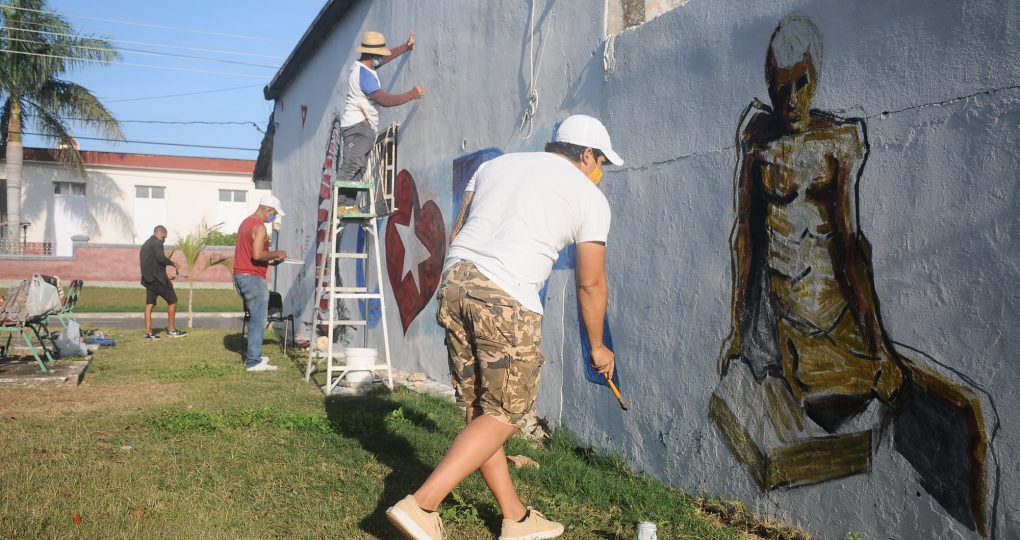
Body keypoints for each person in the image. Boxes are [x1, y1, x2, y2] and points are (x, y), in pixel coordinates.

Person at [386, 115, 624, 540]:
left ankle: (516, 518)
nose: (601, 172)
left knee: (480, 410)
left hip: (457, 280)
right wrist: (597, 347)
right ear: (587, 154)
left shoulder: (494, 167)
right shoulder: (590, 199)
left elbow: (459, 230)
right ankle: (423, 504)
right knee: (509, 412)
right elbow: (591, 283)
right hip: (506, 296)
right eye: (601, 161)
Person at [719, 14, 907, 417]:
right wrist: (738, 328)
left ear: (815, 78)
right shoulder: (757, 141)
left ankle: (869, 362)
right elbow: (745, 237)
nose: (792, 100)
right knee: (805, 377)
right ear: (769, 88)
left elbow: (849, 245)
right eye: (782, 88)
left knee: (892, 384)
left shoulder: (837, 143)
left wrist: (879, 344)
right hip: (786, 316)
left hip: (835, 311)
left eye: (801, 84)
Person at [336, 30, 424, 213]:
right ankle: (340, 205)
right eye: (378, 55)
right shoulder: (365, 76)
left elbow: (384, 59)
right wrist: (411, 95)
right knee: (352, 165)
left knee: (359, 168)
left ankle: (348, 205)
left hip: (363, 127)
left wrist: (405, 47)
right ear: (371, 55)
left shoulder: (366, 66)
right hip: (358, 126)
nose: (380, 59)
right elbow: (384, 100)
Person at [234, 195, 287, 372]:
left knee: (256, 318)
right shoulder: (260, 227)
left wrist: (271, 260)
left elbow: (252, 255)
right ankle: (253, 362)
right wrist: (276, 253)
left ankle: (254, 356)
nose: (274, 218)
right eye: (274, 214)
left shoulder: (245, 223)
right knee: (258, 320)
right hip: (253, 279)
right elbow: (257, 254)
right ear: (267, 210)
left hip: (242, 275)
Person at [139, 225, 185, 340]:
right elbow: (161, 258)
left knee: (149, 305)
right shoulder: (157, 243)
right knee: (173, 300)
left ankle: (149, 333)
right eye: (164, 237)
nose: (164, 240)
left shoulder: (146, 244)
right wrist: (173, 264)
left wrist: (165, 274)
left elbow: (153, 262)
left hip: (148, 279)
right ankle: (171, 330)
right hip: (158, 280)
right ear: (161, 233)